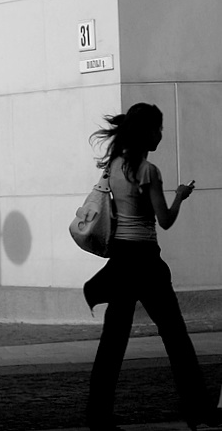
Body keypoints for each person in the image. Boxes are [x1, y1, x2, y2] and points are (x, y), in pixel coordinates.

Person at [84, 103, 220, 431]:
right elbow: (165, 219)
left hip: (121, 260)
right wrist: (180, 196)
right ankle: (198, 409)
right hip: (145, 260)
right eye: (158, 128)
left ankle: (98, 416)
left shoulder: (115, 166)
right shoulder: (148, 171)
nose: (161, 134)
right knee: (175, 337)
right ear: (146, 132)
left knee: (113, 340)